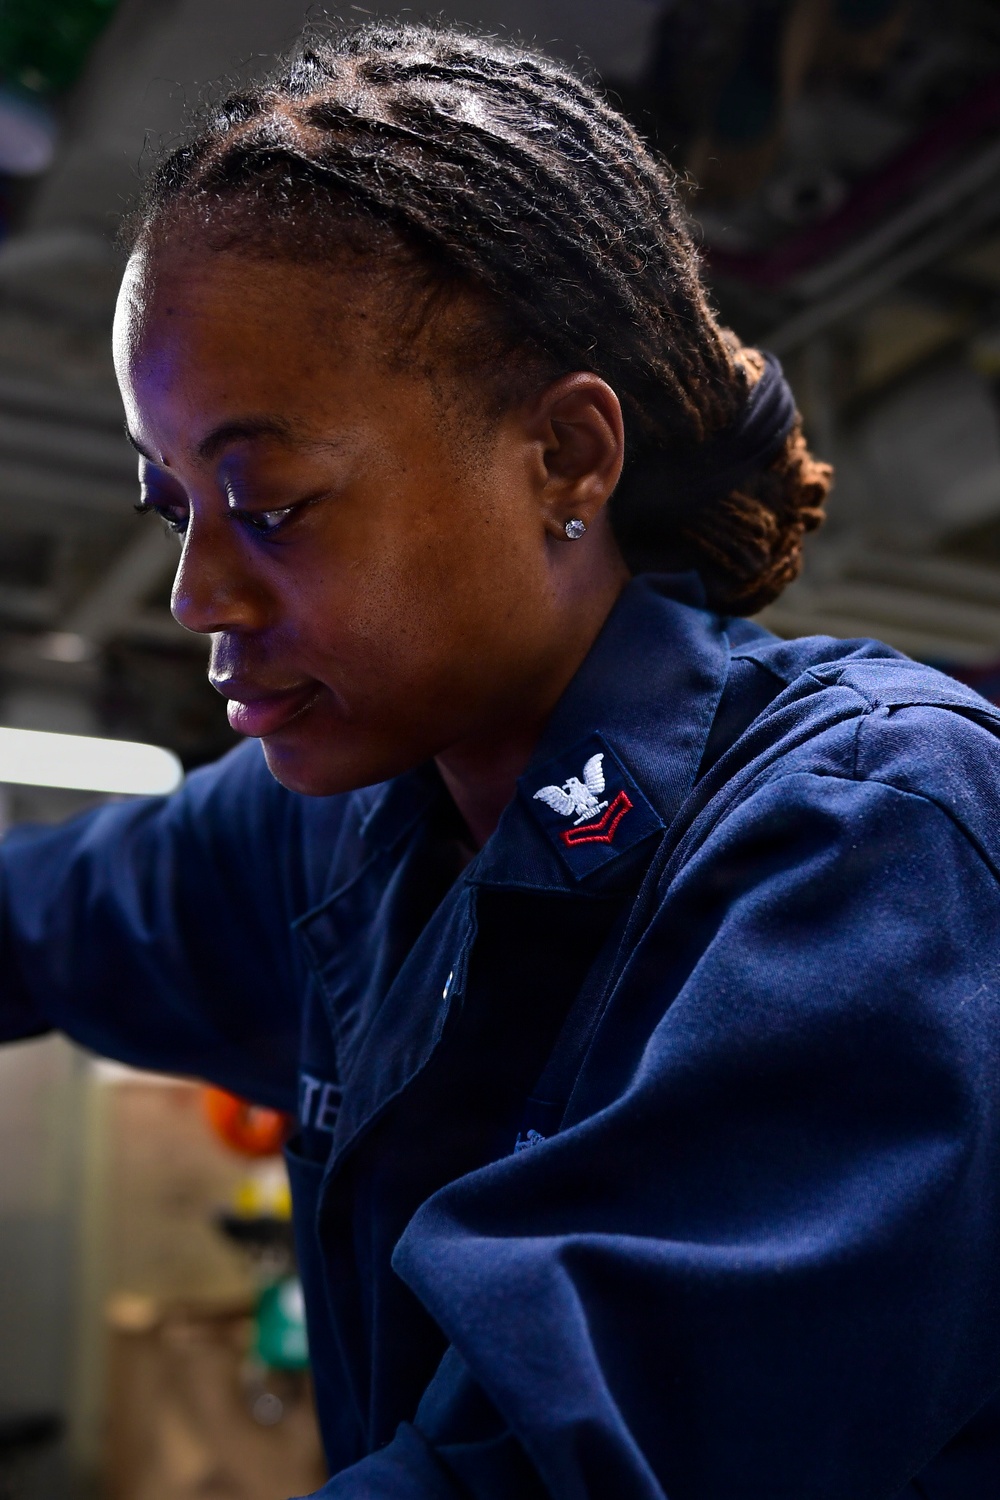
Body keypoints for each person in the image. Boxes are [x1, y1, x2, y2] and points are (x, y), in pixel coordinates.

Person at [2, 20, 1000, 1499]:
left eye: (267, 503)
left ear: (567, 460)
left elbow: (545, 1473)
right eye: (175, 512)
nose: (194, 597)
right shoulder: (350, 825)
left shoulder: (864, 840)